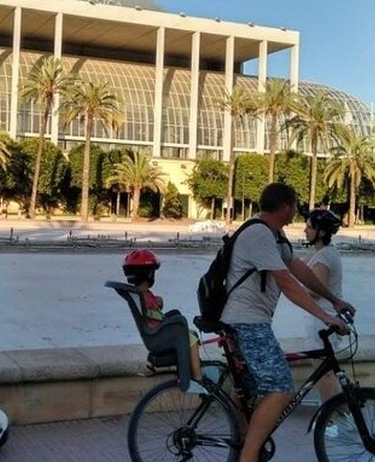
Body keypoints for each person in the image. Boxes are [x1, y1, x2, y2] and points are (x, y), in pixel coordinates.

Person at [220, 183, 354, 462]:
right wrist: (326, 316)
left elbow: (297, 268)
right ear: (285, 207)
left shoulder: (275, 235)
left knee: (247, 392)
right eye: (294, 206)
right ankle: (247, 456)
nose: (296, 213)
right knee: (280, 387)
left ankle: (242, 444)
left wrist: (334, 300)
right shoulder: (258, 233)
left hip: (251, 321)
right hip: (246, 322)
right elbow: (287, 283)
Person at [122, 249, 209, 394]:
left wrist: (158, 302)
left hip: (155, 332)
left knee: (187, 330)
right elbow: (153, 312)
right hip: (159, 334)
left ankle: (191, 367)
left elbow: (152, 308)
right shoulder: (144, 296)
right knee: (192, 340)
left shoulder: (141, 294)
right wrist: (159, 306)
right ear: (149, 274)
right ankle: (198, 378)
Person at [301, 208, 345, 404]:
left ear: (322, 232)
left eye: (310, 227)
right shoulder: (326, 253)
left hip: (322, 321)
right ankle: (339, 412)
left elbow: (315, 289)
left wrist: (293, 288)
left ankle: (334, 418)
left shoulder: (323, 257)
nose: (305, 231)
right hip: (327, 318)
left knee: (324, 373)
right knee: (328, 371)